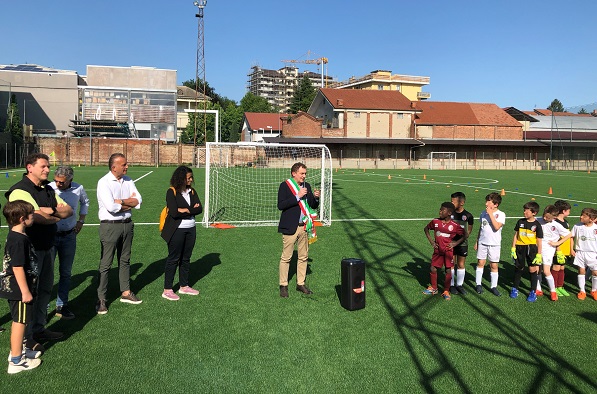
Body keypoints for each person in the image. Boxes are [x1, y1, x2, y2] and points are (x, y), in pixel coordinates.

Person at [5, 153, 72, 354]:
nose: (47, 169)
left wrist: (49, 212)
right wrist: (51, 214)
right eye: (43, 166)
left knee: (44, 291)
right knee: (29, 295)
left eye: (48, 166)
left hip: (47, 246)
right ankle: (26, 338)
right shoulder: (19, 190)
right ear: (29, 167)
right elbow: (33, 216)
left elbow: (68, 210)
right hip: (29, 251)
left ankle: (39, 328)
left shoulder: (48, 188)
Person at [96, 153, 142, 314]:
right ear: (114, 167)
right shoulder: (104, 182)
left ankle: (126, 292)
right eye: (124, 164)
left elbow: (138, 201)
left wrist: (121, 201)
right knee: (106, 263)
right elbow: (110, 207)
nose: (127, 166)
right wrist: (127, 202)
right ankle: (101, 298)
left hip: (127, 225)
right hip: (110, 226)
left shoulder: (128, 180)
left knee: (125, 260)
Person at [1, 200, 42, 374]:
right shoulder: (18, 240)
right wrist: (25, 291)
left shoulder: (18, 236)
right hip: (19, 290)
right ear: (22, 218)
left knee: (22, 321)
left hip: (21, 288)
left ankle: (20, 351)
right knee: (19, 322)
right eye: (31, 214)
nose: (34, 216)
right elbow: (17, 267)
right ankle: (16, 361)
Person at [48, 166, 90, 320]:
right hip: (50, 236)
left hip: (69, 236)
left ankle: (62, 305)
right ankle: (44, 307)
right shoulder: (49, 188)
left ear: (70, 181)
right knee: (47, 273)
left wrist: (81, 221)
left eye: (62, 182)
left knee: (65, 273)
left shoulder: (78, 188)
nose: (58, 184)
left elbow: (85, 202)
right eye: (56, 181)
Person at [278, 162, 320, 297]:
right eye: (302, 173)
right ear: (294, 173)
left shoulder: (306, 186)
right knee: (286, 258)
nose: (304, 176)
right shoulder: (285, 186)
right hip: (290, 227)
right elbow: (281, 205)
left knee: (303, 257)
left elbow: (312, 205)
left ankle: (300, 283)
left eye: (305, 173)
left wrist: (316, 198)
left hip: (304, 227)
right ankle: (283, 285)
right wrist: (297, 196)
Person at [160, 166, 202, 301]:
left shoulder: (192, 191)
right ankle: (167, 289)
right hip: (176, 230)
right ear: (181, 178)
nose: (191, 180)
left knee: (186, 258)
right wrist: (189, 209)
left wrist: (185, 210)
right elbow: (174, 212)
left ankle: (184, 286)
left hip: (191, 228)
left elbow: (199, 208)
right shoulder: (171, 192)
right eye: (188, 178)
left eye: (191, 177)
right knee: (173, 258)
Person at [423, 202, 466, 301]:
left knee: (448, 270)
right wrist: (432, 242)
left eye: (443, 210)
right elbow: (426, 229)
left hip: (448, 252)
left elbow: (465, 235)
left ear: (449, 212)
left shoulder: (454, 225)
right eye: (440, 209)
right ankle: (434, 288)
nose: (440, 211)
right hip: (438, 251)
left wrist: (455, 243)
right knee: (433, 268)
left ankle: (446, 290)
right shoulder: (435, 222)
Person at [536, 205, 572, 302]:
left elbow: (570, 234)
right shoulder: (538, 220)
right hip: (537, 248)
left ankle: (553, 291)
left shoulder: (557, 225)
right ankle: (538, 288)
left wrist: (557, 243)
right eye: (544, 215)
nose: (544, 218)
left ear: (554, 218)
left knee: (546, 270)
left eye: (547, 217)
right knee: (537, 268)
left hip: (548, 249)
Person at [510, 202, 544, 302]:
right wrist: (513, 248)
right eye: (524, 210)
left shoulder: (537, 225)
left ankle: (533, 292)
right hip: (520, 247)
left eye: (526, 210)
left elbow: (539, 240)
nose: (524, 212)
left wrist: (539, 253)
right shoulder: (520, 221)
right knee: (518, 268)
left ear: (534, 212)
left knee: (532, 270)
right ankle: (515, 288)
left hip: (532, 249)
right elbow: (516, 235)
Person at [474, 192, 506, 296]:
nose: (486, 204)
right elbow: (481, 228)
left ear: (496, 204)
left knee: (494, 265)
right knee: (480, 263)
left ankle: (493, 286)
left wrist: (491, 214)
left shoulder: (501, 214)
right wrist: (477, 241)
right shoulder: (483, 213)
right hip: (483, 243)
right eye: (486, 201)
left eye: (489, 201)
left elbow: (496, 227)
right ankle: (478, 284)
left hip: (494, 244)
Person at [449, 192, 474, 295]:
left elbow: (470, 227)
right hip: (451, 243)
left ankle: (459, 285)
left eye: (453, 202)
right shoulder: (450, 213)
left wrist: (466, 235)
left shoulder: (468, 215)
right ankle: (451, 285)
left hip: (462, 243)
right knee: (451, 263)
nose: (451, 203)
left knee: (461, 264)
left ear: (462, 202)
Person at [571, 208, 597, 300]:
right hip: (580, 252)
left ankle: (594, 290)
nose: (581, 217)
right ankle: (582, 291)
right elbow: (571, 237)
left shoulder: (595, 228)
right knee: (581, 271)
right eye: (581, 214)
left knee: (595, 272)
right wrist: (571, 249)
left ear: (591, 219)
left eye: (584, 216)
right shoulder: (577, 226)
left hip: (593, 254)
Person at [552, 200, 572, 296]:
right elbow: (556, 238)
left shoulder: (566, 223)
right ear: (564, 211)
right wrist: (558, 251)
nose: (569, 212)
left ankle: (560, 286)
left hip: (565, 250)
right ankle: (554, 287)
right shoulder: (556, 223)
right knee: (556, 267)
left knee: (562, 267)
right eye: (569, 210)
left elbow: (570, 237)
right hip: (558, 251)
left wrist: (571, 249)